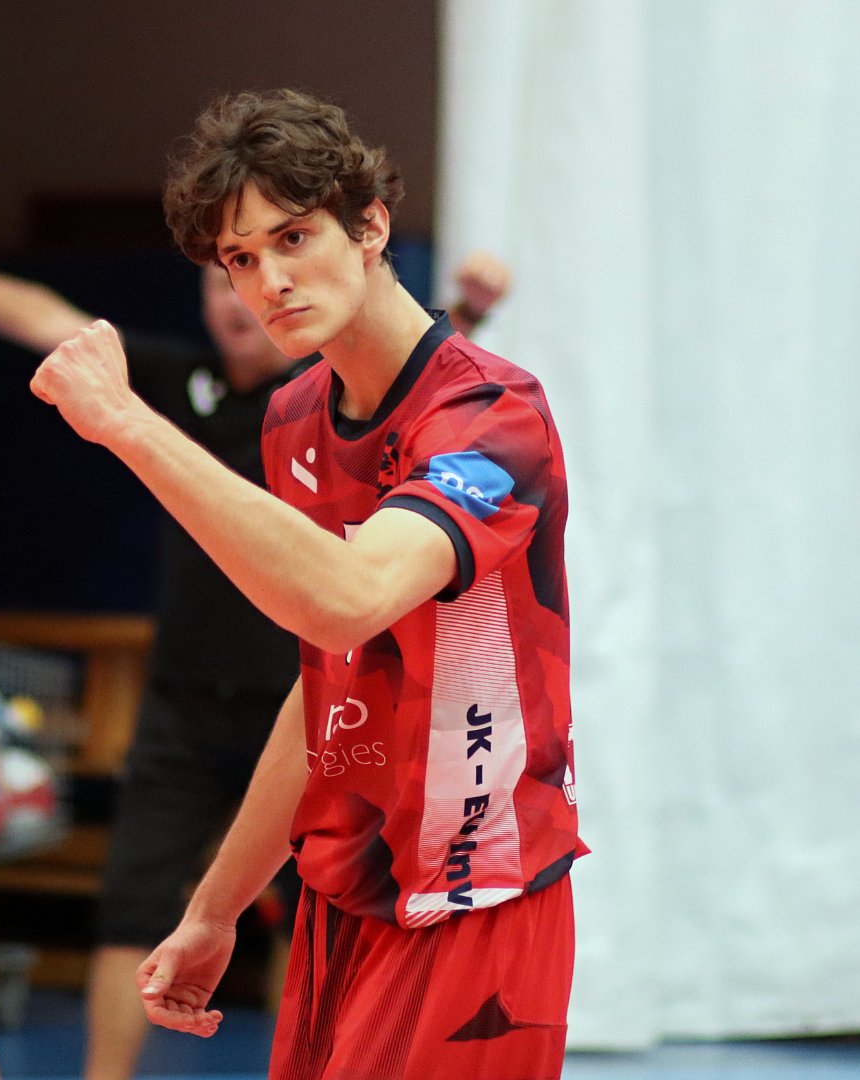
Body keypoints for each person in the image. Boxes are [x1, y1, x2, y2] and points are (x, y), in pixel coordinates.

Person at [0, 208, 512, 1080]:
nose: (246, 293)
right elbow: (46, 322)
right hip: (182, 703)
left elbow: (422, 386)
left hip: (306, 701)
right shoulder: (179, 383)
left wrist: (468, 312)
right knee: (132, 903)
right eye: (228, 270)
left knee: (320, 905)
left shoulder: (339, 398)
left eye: (279, 254)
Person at [29, 88, 583, 1080]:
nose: (269, 280)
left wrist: (126, 423)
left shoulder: (494, 415)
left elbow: (349, 596)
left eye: (292, 238)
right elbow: (332, 682)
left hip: (476, 895)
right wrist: (216, 908)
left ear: (370, 227)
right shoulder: (293, 418)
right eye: (240, 259)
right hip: (344, 896)